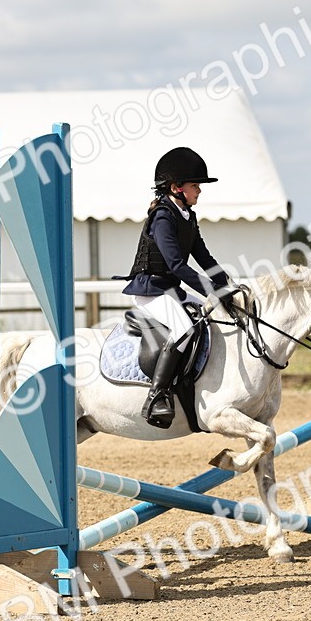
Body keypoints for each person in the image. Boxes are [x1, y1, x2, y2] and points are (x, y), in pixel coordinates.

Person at [122, 147, 236, 429]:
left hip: (170, 291)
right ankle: (156, 396)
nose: (199, 190)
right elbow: (176, 265)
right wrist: (211, 290)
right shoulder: (163, 217)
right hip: (150, 290)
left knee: (210, 318)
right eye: (195, 185)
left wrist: (227, 284)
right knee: (184, 329)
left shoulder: (187, 216)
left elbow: (204, 257)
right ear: (176, 188)